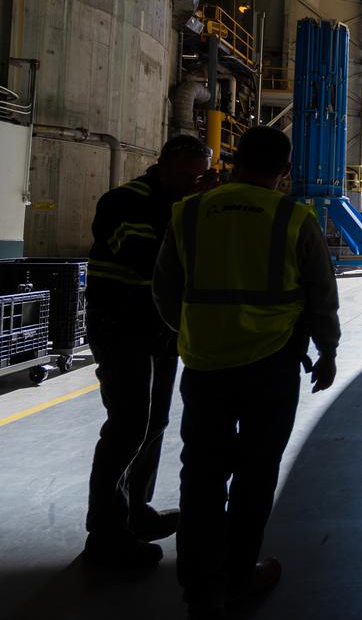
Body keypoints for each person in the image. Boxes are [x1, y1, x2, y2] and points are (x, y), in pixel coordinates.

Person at [152, 126, 340, 618]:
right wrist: (328, 351)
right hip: (271, 366)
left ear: (235, 163)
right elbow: (322, 296)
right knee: (256, 475)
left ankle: (198, 585)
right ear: (285, 171)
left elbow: (165, 291)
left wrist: (197, 330)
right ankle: (238, 578)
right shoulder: (294, 218)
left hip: (206, 364)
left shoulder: (188, 212)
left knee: (202, 475)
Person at [84, 135, 212, 571]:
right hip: (120, 326)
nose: (190, 183)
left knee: (154, 422)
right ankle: (105, 533)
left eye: (197, 177)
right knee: (127, 424)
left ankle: (135, 508)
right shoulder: (126, 201)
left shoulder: (179, 205)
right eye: (185, 175)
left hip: (158, 328)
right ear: (163, 165)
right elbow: (146, 257)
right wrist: (192, 212)